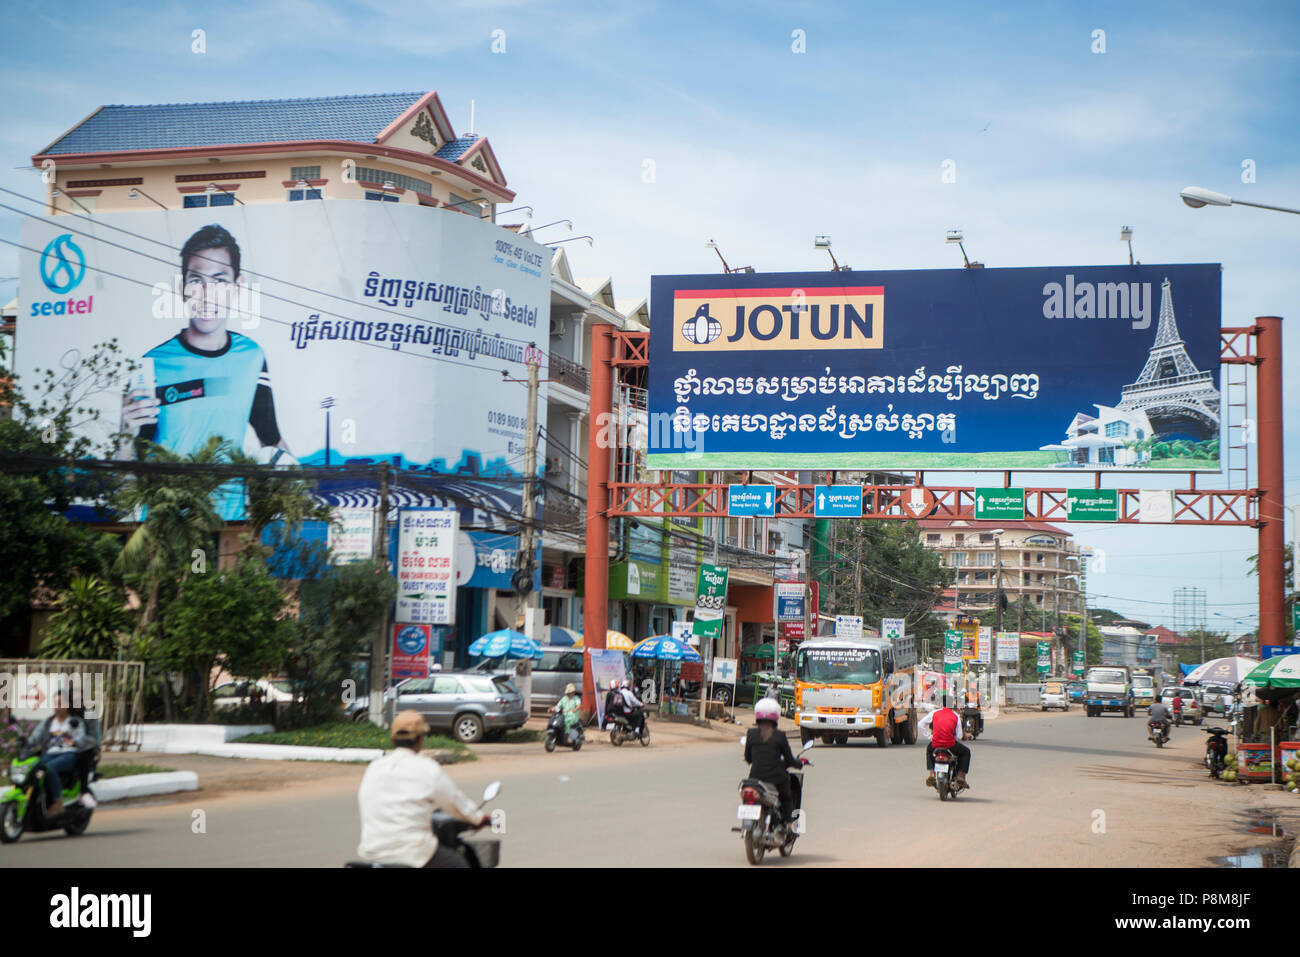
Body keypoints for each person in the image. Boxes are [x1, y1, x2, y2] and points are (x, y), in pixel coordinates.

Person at [117, 224, 292, 470]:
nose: (207, 295)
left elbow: (272, 442)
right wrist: (125, 436)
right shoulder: (152, 365)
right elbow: (130, 473)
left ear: (237, 287)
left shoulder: (251, 357)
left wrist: (306, 497)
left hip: (233, 510)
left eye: (219, 282)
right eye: (197, 280)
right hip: (163, 508)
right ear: (182, 289)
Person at [356, 711, 488, 868]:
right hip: (414, 853)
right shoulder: (427, 768)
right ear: (420, 740)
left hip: (373, 853)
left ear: (393, 739)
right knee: (459, 863)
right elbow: (455, 801)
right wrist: (479, 819)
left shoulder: (374, 768)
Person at [744, 697, 806, 833]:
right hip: (776, 779)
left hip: (755, 779)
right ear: (776, 716)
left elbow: (748, 757)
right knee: (787, 796)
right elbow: (789, 759)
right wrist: (799, 764)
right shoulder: (779, 736)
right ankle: (790, 825)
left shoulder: (751, 734)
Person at [27, 692, 94, 815]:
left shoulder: (75, 722)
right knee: (32, 768)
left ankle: (58, 802)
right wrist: (24, 743)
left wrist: (74, 740)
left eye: (60, 703)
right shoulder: (48, 722)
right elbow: (35, 738)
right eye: (55, 704)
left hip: (68, 755)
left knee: (48, 769)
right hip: (49, 754)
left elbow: (81, 738)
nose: (57, 707)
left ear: (68, 704)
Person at [920, 694, 971, 789]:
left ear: (941, 703)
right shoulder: (955, 716)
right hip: (950, 745)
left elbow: (920, 724)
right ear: (952, 705)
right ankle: (960, 776)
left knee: (929, 750)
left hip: (935, 744)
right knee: (966, 752)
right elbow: (959, 736)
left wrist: (930, 737)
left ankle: (932, 773)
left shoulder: (934, 713)